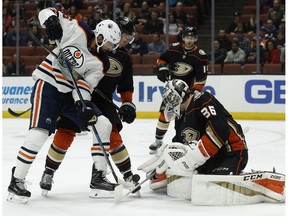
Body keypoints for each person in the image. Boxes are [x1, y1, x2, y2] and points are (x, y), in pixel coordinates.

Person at [6, 7, 121, 203]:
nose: (111, 49)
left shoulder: (102, 63)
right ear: (100, 36)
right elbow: (47, 11)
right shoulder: (79, 29)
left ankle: (98, 177)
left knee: (103, 124)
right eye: (110, 43)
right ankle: (17, 181)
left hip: (70, 93)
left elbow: (85, 85)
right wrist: (51, 23)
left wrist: (83, 104)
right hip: (49, 83)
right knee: (39, 133)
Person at [38, 16, 140, 197]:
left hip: (104, 100)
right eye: (127, 36)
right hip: (80, 96)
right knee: (65, 132)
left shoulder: (125, 57)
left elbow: (126, 86)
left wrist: (127, 103)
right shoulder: (94, 44)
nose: (127, 41)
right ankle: (48, 172)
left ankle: (124, 175)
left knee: (112, 134)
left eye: (130, 39)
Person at [139, 79, 248, 190]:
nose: (168, 104)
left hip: (231, 152)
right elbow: (180, 146)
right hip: (209, 159)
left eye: (170, 99)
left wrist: (196, 155)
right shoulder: (180, 117)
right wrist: (164, 165)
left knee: (215, 186)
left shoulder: (202, 99)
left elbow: (220, 129)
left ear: (177, 97)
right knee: (192, 186)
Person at [149, 27, 208, 154]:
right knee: (165, 114)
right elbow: (161, 59)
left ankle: (184, 142)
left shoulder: (199, 56)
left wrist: (193, 95)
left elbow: (201, 80)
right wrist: (162, 68)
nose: (189, 40)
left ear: (195, 39)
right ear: (183, 38)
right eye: (187, 37)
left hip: (188, 94)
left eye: (192, 38)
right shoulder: (174, 49)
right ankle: (158, 140)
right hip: (173, 91)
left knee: (184, 119)